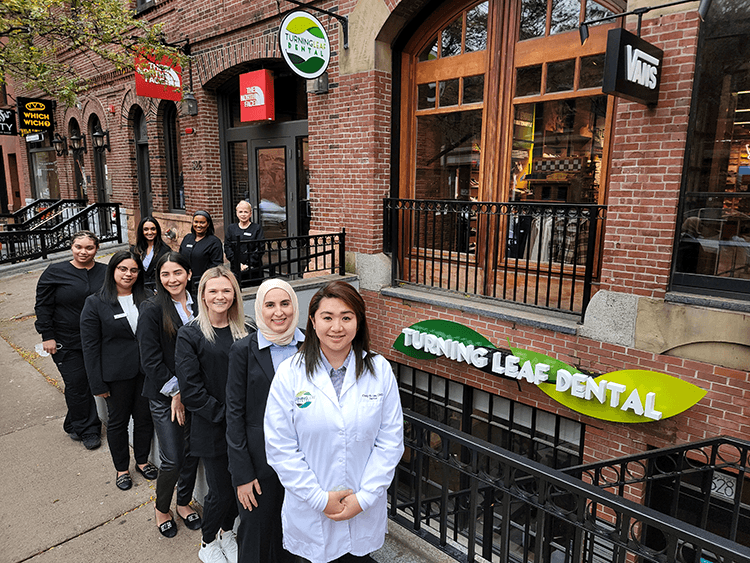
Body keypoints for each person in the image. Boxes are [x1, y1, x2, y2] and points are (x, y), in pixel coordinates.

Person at [264, 281, 404, 563]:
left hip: (362, 510)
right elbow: (280, 447)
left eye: (346, 317)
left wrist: (364, 499)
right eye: (327, 317)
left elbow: (390, 442)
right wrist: (318, 498)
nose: (336, 327)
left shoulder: (380, 371)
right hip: (311, 513)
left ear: (358, 322)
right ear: (313, 322)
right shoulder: (290, 374)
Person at [226, 279, 303, 563]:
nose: (278, 312)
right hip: (258, 465)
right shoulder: (243, 350)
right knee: (256, 535)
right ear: (260, 308)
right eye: (270, 305)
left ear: (294, 305)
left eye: (285, 304)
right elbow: (234, 415)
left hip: (301, 463)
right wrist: (242, 475)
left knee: (291, 535)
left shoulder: (309, 346)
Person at [176, 266, 248, 563]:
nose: (220, 296)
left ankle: (226, 533)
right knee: (219, 491)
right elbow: (191, 391)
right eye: (213, 291)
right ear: (203, 295)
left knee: (237, 487)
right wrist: (228, 416)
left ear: (235, 295)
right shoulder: (190, 334)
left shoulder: (247, 331)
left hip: (243, 427)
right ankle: (207, 543)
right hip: (212, 426)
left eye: (226, 290)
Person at [80, 250, 157, 491]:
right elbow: (90, 347)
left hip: (146, 373)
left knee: (144, 419)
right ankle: (122, 468)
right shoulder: (95, 302)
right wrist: (97, 384)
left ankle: (142, 461)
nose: (128, 274)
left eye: (134, 270)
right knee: (118, 422)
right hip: (115, 375)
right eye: (123, 269)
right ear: (112, 270)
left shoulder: (148, 297)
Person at [137, 251, 202, 537]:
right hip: (166, 397)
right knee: (173, 458)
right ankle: (162, 507)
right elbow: (150, 359)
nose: (172, 279)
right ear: (158, 278)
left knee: (192, 454)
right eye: (165, 274)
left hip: (198, 394)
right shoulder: (152, 308)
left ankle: (184, 503)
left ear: (188, 274)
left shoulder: (200, 303)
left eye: (177, 272)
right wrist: (177, 390)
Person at [34, 230, 107, 450]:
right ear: (71, 247)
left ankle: (74, 422)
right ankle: (89, 430)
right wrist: (47, 336)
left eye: (89, 248)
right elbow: (43, 306)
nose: (83, 252)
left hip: (98, 339)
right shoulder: (55, 271)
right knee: (77, 384)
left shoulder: (105, 272)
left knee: (90, 381)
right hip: (66, 340)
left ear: (97, 249)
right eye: (78, 247)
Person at [180, 210, 224, 295]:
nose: (198, 225)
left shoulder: (214, 242)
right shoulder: (187, 238)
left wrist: (205, 279)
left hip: (203, 284)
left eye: (202, 222)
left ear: (208, 224)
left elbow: (216, 265)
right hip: (185, 283)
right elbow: (180, 258)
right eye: (196, 222)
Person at [224, 200, 265, 287]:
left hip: (254, 269)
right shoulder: (231, 228)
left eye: (246, 212)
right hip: (236, 269)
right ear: (236, 213)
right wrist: (237, 263)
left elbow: (260, 247)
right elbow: (228, 246)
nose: (243, 214)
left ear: (250, 214)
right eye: (240, 212)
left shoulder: (256, 228)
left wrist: (247, 264)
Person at [131, 216, 170, 294]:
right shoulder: (134, 250)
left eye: (153, 229)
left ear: (157, 230)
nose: (149, 232)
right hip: (140, 289)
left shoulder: (165, 250)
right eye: (146, 229)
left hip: (158, 290)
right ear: (141, 231)